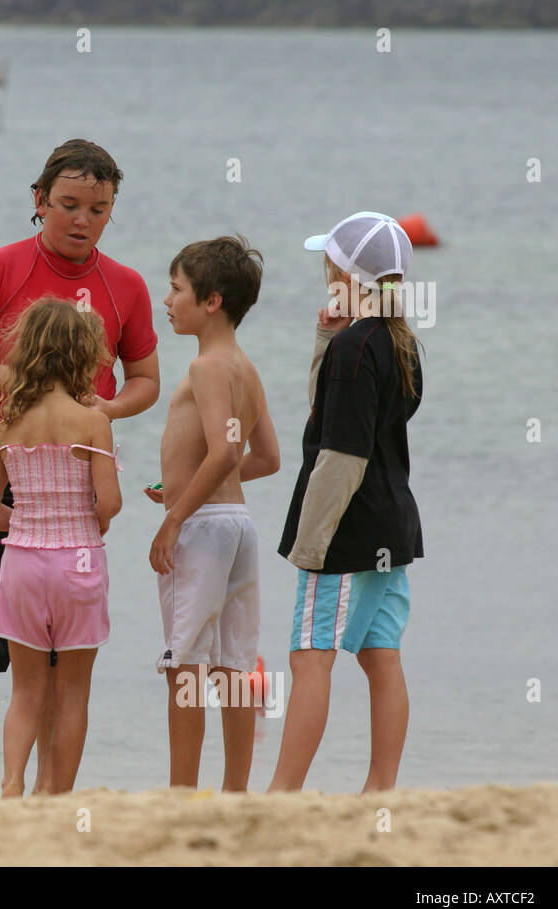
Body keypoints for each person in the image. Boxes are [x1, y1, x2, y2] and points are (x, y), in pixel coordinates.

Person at [0, 139, 159, 795]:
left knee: (65, 668)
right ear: (39, 202)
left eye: (98, 207)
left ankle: (50, 798)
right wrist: (33, 384)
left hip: (78, 491)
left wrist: (101, 410)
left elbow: (144, 377)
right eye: (68, 205)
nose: (82, 219)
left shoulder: (126, 286)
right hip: (1, 480)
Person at [268, 212, 423, 793]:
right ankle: (381, 788)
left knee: (310, 656)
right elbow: (337, 416)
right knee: (381, 655)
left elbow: (340, 453)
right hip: (392, 522)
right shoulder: (398, 340)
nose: (323, 271)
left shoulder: (356, 348)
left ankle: (283, 793)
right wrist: (326, 338)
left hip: (344, 529)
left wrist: (311, 545)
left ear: (345, 272)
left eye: (327, 263)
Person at [0, 298, 121, 796]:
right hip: (78, 561)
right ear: (83, 355)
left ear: (28, 350)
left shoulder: (8, 421)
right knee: (74, 690)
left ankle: (12, 782)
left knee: (26, 690)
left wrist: (31, 520)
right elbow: (111, 503)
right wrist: (84, 519)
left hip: (22, 564)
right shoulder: (92, 422)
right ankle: (54, 794)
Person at [147, 235, 279, 792]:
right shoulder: (245, 366)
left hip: (202, 532)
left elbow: (225, 451)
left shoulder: (207, 366)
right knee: (232, 661)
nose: (166, 301)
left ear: (211, 301)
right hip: (238, 526)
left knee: (185, 665)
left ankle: (182, 792)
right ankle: (235, 792)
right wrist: (185, 489)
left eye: (176, 290)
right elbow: (266, 459)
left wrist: (176, 514)